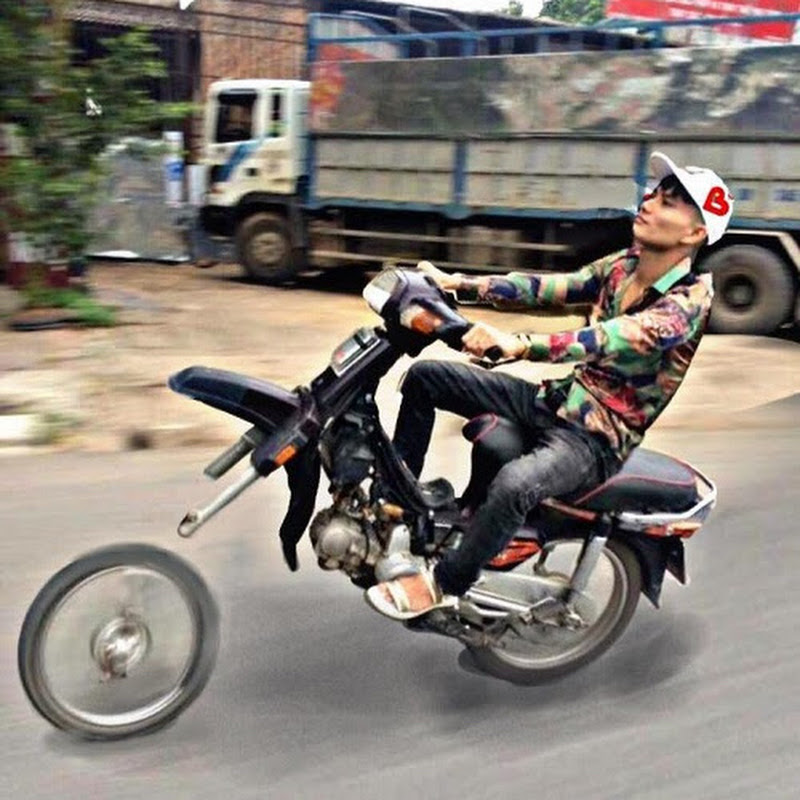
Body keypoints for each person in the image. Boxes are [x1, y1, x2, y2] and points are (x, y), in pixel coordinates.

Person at [365, 150, 734, 621]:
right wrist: (456, 283)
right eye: (653, 193)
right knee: (426, 377)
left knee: (515, 484)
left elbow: (611, 337)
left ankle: (445, 584)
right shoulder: (625, 265)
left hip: (595, 439)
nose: (648, 202)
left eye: (668, 202)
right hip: (556, 401)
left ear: (694, 233)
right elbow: (552, 288)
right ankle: (397, 504)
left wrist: (521, 346)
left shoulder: (689, 302)